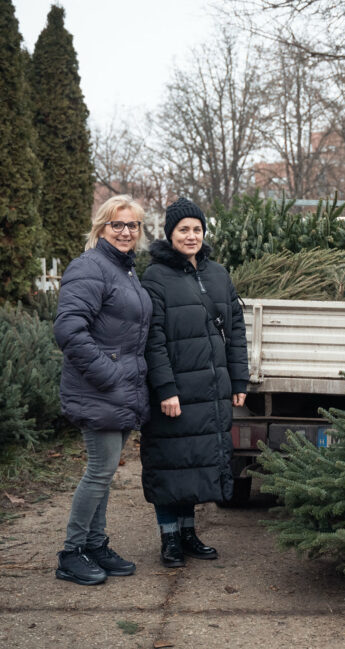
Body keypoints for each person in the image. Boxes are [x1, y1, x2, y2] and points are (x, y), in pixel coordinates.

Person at [140, 197, 249, 568]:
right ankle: (169, 539)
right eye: (183, 229)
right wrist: (165, 389)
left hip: (210, 388)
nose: (191, 236)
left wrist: (239, 380)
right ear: (170, 234)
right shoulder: (155, 277)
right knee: (170, 462)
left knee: (193, 462)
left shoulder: (218, 274)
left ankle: (188, 534)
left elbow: (235, 329)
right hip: (174, 392)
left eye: (197, 229)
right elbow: (151, 338)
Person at [53, 195, 152, 586]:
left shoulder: (123, 270)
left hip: (121, 389)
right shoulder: (90, 267)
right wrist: (109, 375)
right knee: (99, 471)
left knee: (105, 472)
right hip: (100, 388)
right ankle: (71, 552)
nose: (126, 232)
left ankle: (94, 544)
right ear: (101, 227)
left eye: (133, 226)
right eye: (118, 224)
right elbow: (69, 330)